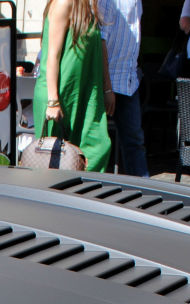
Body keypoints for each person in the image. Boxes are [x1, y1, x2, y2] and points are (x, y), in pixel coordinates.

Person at [34, 0, 113, 172]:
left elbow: (100, 47)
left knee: (98, 147)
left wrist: (107, 88)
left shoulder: (89, 7)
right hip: (59, 94)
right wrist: (53, 101)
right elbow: (52, 55)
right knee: (55, 161)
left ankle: (79, 193)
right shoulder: (63, 3)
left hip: (84, 94)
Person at [98, 0, 145, 176]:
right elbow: (100, 40)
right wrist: (107, 88)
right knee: (99, 141)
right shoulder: (109, 1)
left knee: (134, 140)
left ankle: (142, 187)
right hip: (110, 79)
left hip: (129, 79)